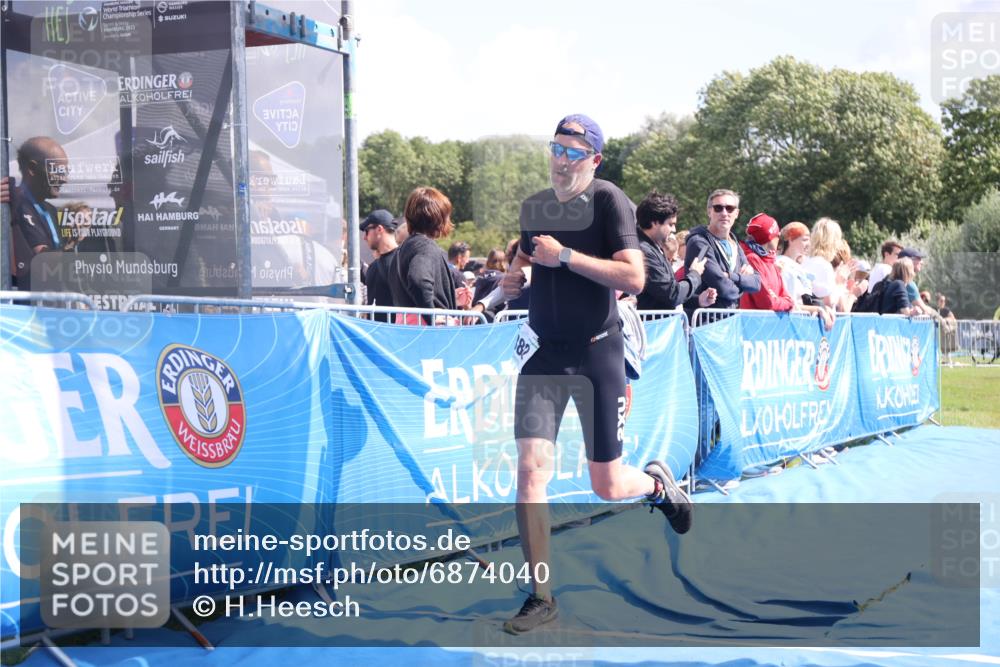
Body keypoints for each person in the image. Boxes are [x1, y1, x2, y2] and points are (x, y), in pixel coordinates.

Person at [500, 114, 692, 635]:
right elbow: (522, 261)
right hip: (544, 355)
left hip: (596, 353)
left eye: (572, 153)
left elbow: (635, 275)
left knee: (606, 484)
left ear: (594, 160)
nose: (561, 161)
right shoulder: (535, 206)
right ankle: (541, 596)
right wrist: (511, 282)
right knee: (530, 471)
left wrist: (564, 256)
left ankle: (656, 486)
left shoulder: (609, 200)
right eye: (555, 149)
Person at [683, 189, 761, 320]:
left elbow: (757, 283)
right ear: (709, 212)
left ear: (736, 213)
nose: (724, 213)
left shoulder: (734, 244)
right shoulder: (699, 242)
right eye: (718, 208)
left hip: (731, 321)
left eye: (729, 208)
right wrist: (743, 285)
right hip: (706, 322)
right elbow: (723, 287)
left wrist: (732, 276)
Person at [10, 136, 75, 290]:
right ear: (32, 169)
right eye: (58, 171)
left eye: (65, 172)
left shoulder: (51, 210)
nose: (64, 179)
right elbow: (45, 259)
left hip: (53, 298)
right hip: (26, 299)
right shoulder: (13, 203)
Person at [634, 191, 715, 311]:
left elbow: (662, 295)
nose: (674, 229)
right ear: (654, 222)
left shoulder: (652, 247)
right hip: (657, 323)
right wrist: (695, 274)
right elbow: (672, 294)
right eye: (671, 224)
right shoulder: (644, 252)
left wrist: (698, 300)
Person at [388, 187, 459, 324]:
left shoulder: (404, 248)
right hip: (427, 330)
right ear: (438, 217)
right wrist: (432, 316)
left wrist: (450, 298)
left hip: (408, 327)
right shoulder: (425, 246)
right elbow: (418, 280)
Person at [774, 221, 836, 329]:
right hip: (789, 328)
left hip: (801, 327)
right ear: (791, 239)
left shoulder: (797, 267)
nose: (809, 244)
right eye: (805, 240)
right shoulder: (782, 265)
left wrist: (822, 307)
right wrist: (818, 309)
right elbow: (790, 305)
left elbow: (805, 300)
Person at [738, 213, 794, 312]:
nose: (779, 238)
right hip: (753, 321)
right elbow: (767, 303)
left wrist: (783, 301)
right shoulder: (752, 259)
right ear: (769, 239)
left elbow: (788, 298)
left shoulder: (770, 260)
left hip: (769, 321)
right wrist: (786, 302)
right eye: (777, 235)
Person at [360, 209, 399, 322]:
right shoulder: (374, 266)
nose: (364, 237)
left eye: (367, 231)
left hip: (396, 331)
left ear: (379, 229)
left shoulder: (403, 262)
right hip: (374, 331)